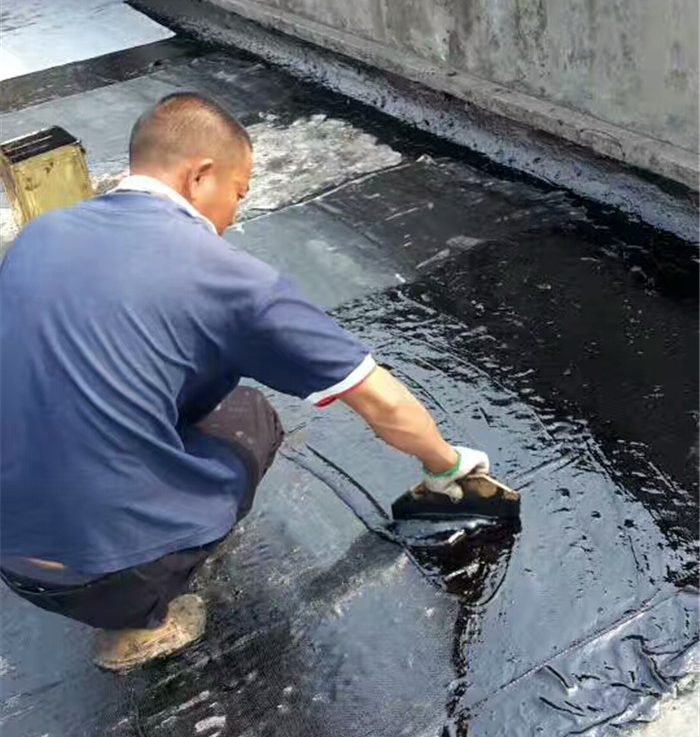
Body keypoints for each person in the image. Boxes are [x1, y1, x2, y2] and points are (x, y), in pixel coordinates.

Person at [0, 93, 489, 671]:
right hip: (107, 573)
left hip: (12, 556)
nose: (235, 214)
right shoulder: (229, 279)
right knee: (250, 415)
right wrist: (446, 466)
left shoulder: (41, 234)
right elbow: (380, 400)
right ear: (200, 176)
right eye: (238, 193)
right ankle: (138, 623)